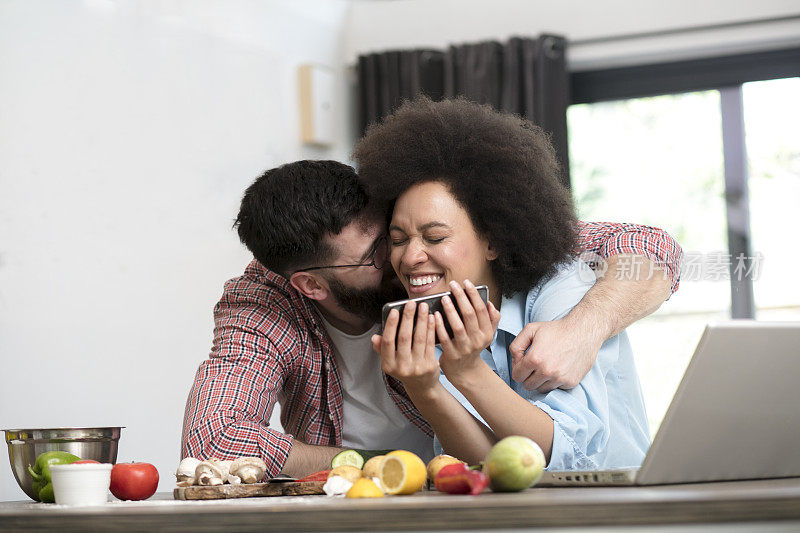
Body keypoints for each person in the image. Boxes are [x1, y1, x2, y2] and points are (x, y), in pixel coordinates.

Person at [181, 157, 682, 477]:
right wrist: (400, 467)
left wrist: (583, 328)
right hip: (387, 501)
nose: (405, 259)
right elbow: (214, 438)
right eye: (387, 248)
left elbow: (650, 247)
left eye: (392, 234)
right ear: (311, 284)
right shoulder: (264, 301)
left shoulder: (493, 274)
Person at [354, 96, 653, 469]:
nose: (410, 257)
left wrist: (466, 372)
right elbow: (494, 465)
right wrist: (425, 388)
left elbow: (564, 457)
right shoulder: (435, 323)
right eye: (398, 240)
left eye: (434, 238)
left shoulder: (563, 291)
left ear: (492, 240)